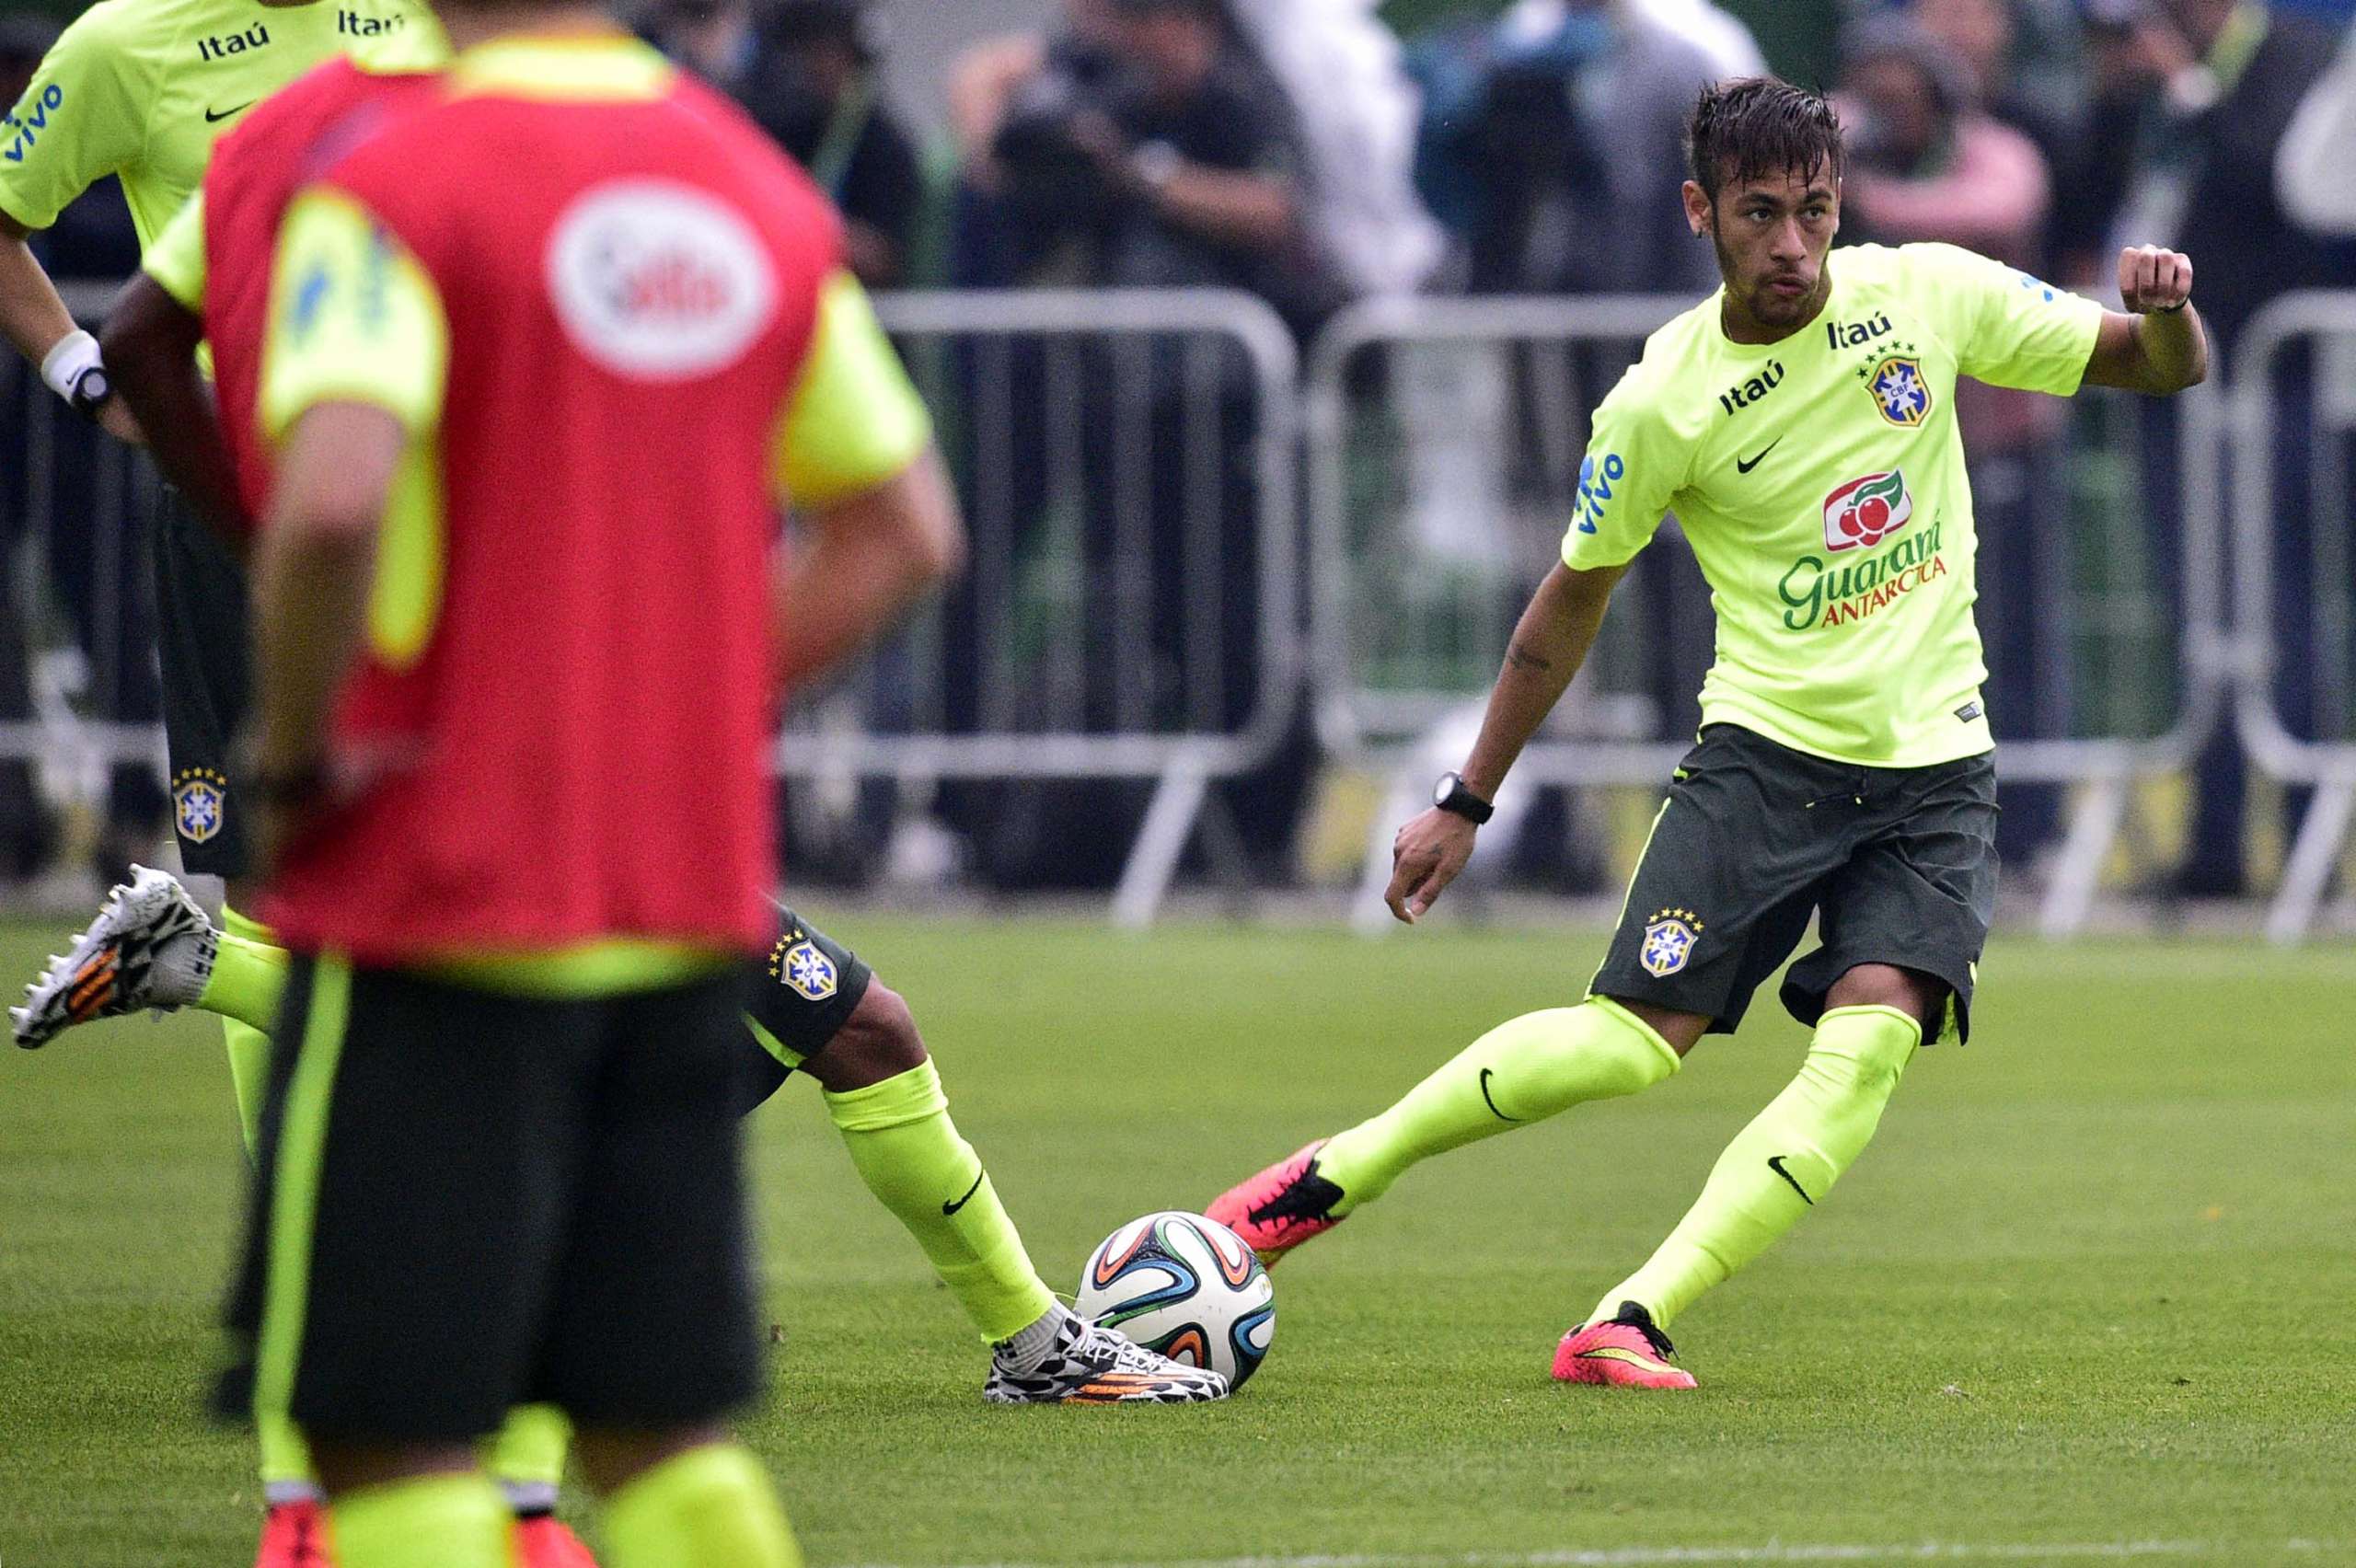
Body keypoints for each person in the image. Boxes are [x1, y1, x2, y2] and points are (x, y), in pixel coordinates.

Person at [17, 25, 1221, 1540]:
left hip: (455, 871)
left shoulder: (369, 172)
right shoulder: (740, 180)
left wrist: (306, 747)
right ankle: (1021, 1345)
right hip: (665, 875)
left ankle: (211, 973)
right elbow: (908, 531)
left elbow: (320, 500)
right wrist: (662, 717)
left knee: (391, 1447)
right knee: (659, 1441)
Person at [1208, 76, 2206, 1388]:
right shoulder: (1661, 402)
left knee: (1870, 1042)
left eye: (1815, 212)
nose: (1793, 244)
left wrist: (2169, 311)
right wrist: (1466, 799)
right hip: (1765, 766)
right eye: (1760, 214)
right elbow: (1568, 604)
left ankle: (1632, 1316)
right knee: (1630, 1044)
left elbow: (2158, 369)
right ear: (1701, 212)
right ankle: (1329, 1177)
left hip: (1936, 771)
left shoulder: (1926, 294)